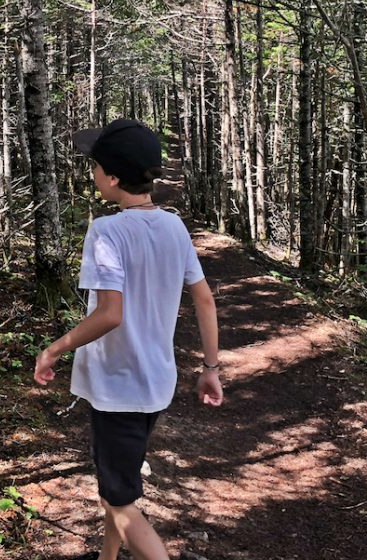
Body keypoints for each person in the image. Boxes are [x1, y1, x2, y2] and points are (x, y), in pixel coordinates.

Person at [33, 118, 223, 560]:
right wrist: (211, 370)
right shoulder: (174, 226)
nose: (93, 174)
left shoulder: (107, 231)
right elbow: (205, 301)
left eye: (96, 166)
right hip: (156, 383)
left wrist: (54, 348)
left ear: (113, 177)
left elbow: (109, 315)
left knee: (118, 499)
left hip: (118, 386)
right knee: (117, 485)